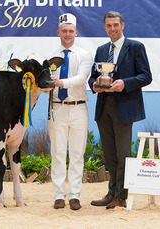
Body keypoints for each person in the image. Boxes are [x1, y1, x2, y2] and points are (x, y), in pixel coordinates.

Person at [88, 11, 152, 209]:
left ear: (122, 25)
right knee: (109, 153)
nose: (112, 29)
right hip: (104, 105)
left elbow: (146, 76)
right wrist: (94, 85)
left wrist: (125, 83)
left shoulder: (136, 47)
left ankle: (121, 196)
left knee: (123, 153)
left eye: (116, 25)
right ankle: (111, 192)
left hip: (124, 106)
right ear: (105, 27)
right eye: (109, 26)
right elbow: (93, 77)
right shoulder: (100, 50)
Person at [48, 13, 93, 211]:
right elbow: (46, 81)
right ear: (58, 32)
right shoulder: (49, 56)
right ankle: (59, 195)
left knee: (77, 153)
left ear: (76, 32)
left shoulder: (85, 55)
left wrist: (60, 83)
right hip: (57, 107)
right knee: (57, 153)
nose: (67, 34)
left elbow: (82, 78)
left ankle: (74, 195)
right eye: (64, 31)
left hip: (78, 107)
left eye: (70, 31)